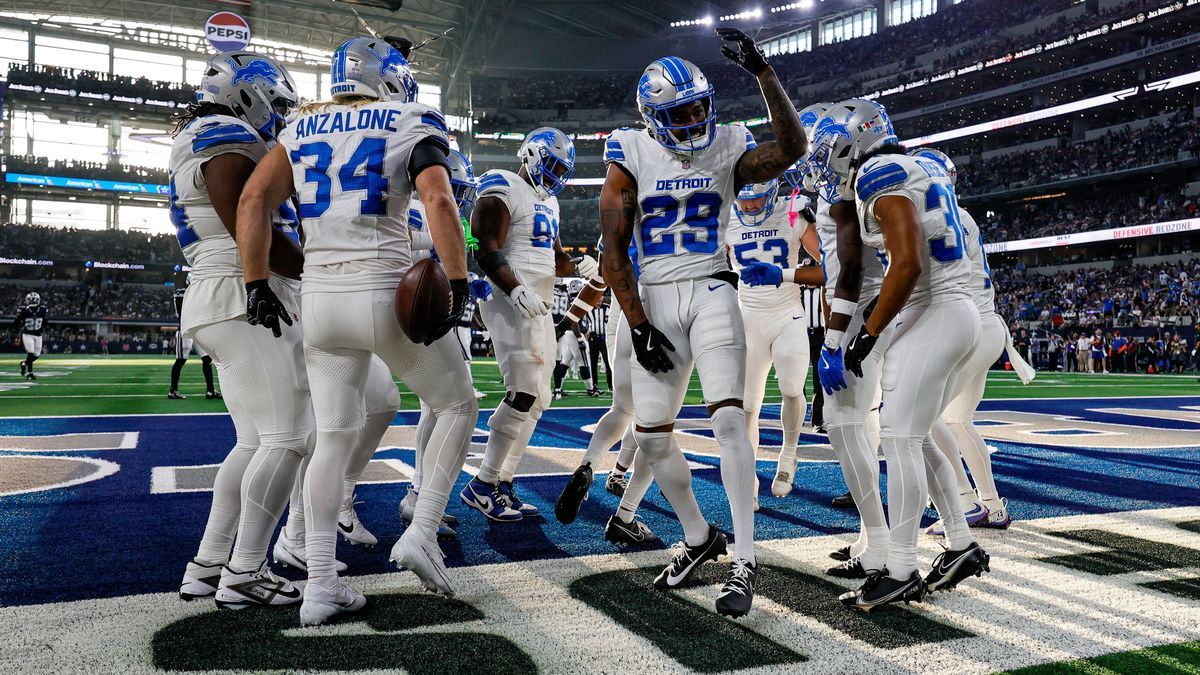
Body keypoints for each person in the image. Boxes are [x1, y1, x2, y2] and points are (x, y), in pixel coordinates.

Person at [236, 37, 478, 625]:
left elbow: (251, 201)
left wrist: (255, 282)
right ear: (391, 78)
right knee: (457, 404)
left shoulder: (301, 128)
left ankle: (319, 585)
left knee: (333, 438)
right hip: (385, 290)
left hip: (320, 301)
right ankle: (422, 531)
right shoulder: (410, 118)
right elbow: (438, 200)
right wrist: (458, 277)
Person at [598, 29, 807, 618]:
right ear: (652, 117)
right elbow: (614, 251)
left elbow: (791, 148)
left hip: (715, 288)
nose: (694, 119)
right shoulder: (628, 151)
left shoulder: (728, 145)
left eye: (699, 107)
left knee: (730, 425)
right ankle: (697, 537)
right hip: (656, 297)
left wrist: (765, 74)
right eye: (680, 112)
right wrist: (636, 322)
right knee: (653, 439)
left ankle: (745, 560)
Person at [810, 98, 988, 610]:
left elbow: (906, 266)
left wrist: (866, 335)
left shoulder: (879, 173)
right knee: (913, 433)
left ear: (854, 140)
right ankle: (958, 544)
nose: (827, 164)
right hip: (946, 308)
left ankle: (901, 567)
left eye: (830, 151)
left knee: (899, 439)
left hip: (937, 307)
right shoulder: (914, 165)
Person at [170, 51, 319, 609]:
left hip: (219, 294)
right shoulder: (225, 132)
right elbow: (245, 219)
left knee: (255, 441)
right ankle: (246, 572)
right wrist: (322, 270)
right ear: (248, 93)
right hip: (243, 292)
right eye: (275, 102)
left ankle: (208, 564)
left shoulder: (201, 130)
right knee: (291, 436)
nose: (278, 114)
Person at [458, 127, 598, 523]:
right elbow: (484, 246)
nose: (554, 176)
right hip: (508, 298)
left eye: (561, 170)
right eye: (550, 165)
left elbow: (553, 258)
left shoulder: (550, 202)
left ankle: (502, 482)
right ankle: (482, 485)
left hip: (536, 302)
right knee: (523, 390)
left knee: (540, 397)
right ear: (531, 154)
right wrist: (516, 289)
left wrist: (577, 268)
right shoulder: (501, 184)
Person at [729, 178, 821, 497]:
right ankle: (749, 479)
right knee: (748, 406)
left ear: (772, 193)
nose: (750, 206)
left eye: (756, 199)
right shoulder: (726, 218)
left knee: (792, 388)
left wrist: (790, 274)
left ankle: (789, 454)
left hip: (787, 314)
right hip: (747, 317)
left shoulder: (794, 213)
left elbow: (828, 263)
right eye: (744, 200)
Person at [168, 285, 220, 400]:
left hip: (196, 331)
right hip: (185, 330)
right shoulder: (182, 293)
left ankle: (210, 391)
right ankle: (173, 390)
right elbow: (181, 302)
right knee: (181, 360)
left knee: (207, 359)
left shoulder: (195, 293)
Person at [14, 291, 46, 380]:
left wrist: (43, 328)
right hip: (27, 334)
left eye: (34, 300)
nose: (33, 302)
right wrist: (18, 326)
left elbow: (45, 321)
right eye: (31, 300)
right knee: (30, 353)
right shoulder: (23, 310)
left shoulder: (43, 310)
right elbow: (16, 321)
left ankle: (24, 364)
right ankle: (30, 374)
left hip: (38, 334)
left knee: (36, 355)